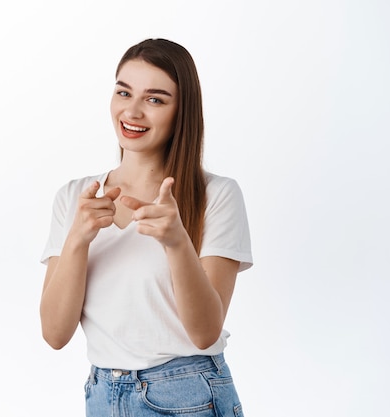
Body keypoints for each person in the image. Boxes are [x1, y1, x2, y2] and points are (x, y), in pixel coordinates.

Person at [39, 38, 253, 417]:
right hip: (103, 394)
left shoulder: (216, 196)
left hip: (187, 394)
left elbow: (205, 332)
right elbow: (55, 335)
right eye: (124, 92)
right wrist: (77, 239)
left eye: (155, 99)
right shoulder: (74, 197)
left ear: (181, 111)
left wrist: (176, 242)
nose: (132, 111)